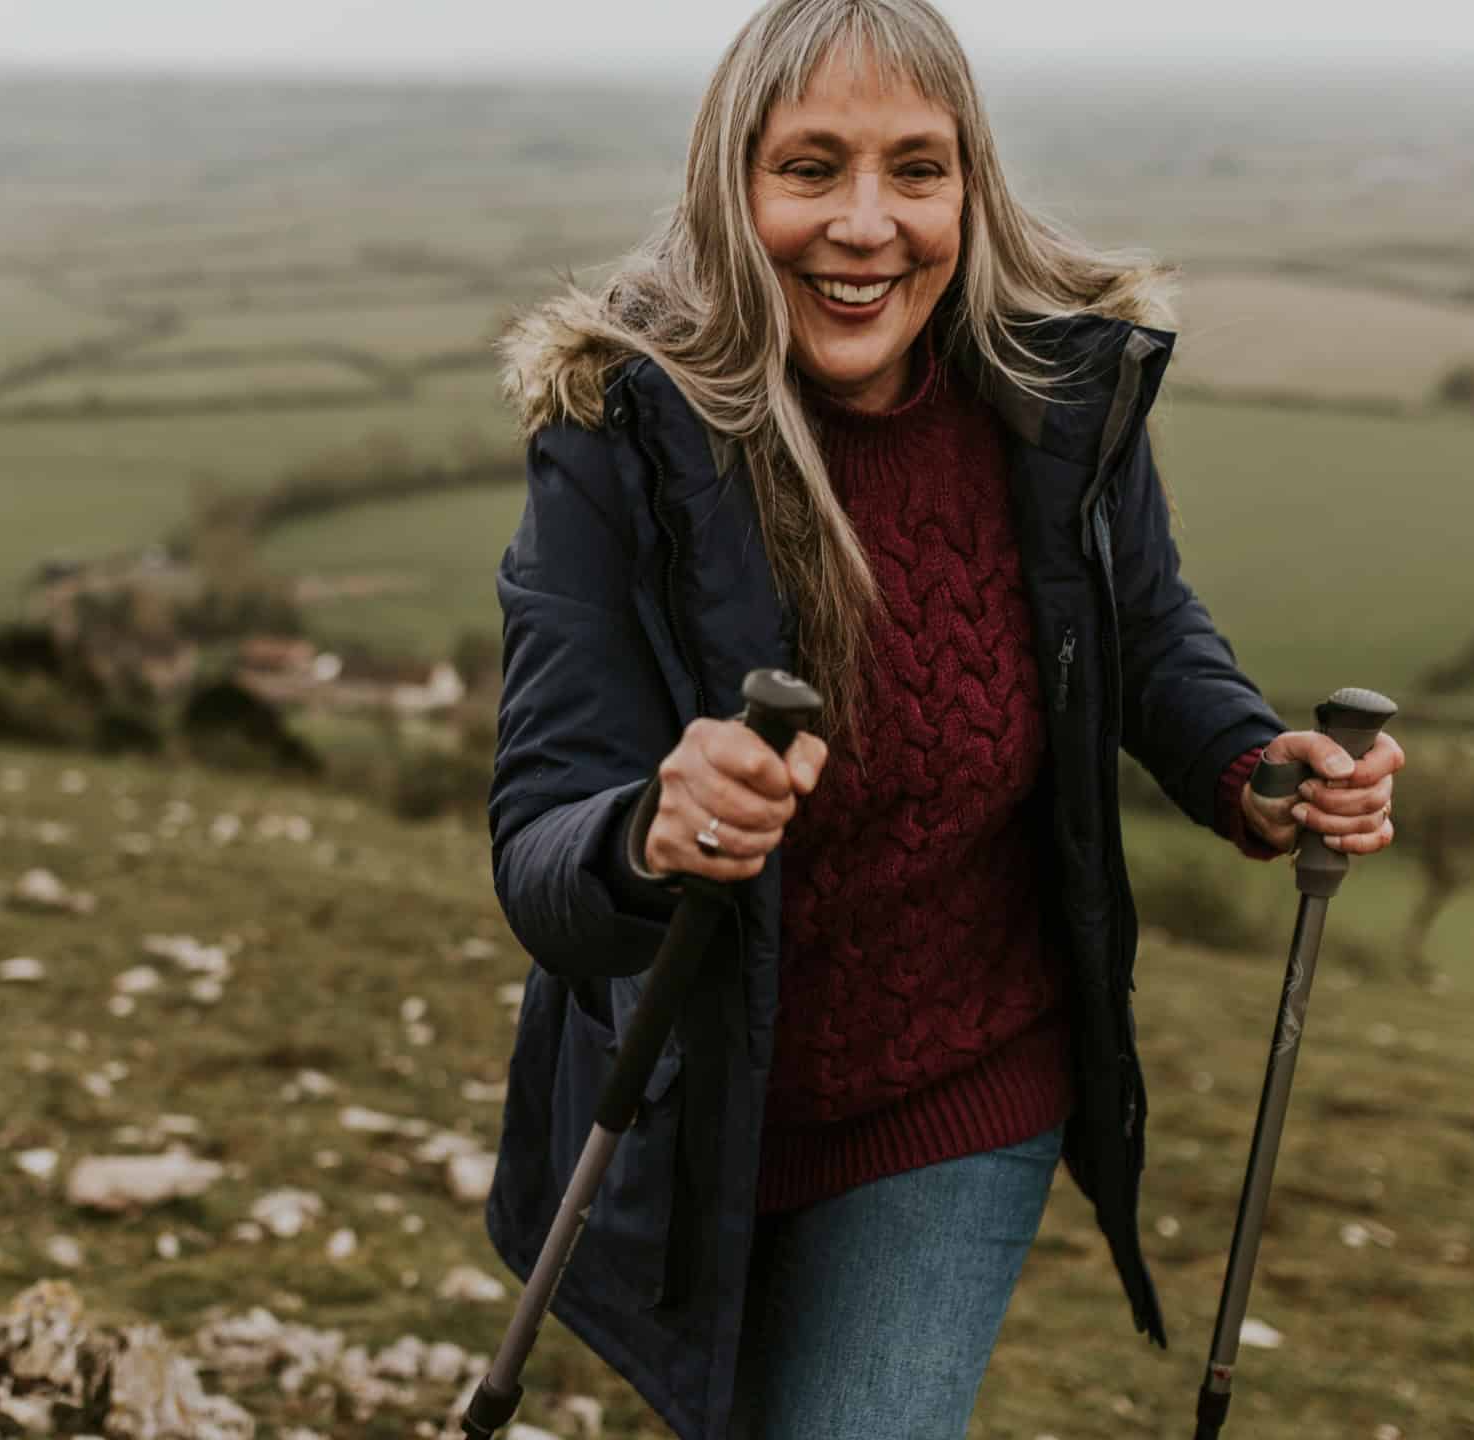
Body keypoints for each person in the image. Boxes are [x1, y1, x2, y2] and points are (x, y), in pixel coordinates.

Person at [479, 1, 1407, 1436]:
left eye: (918, 169)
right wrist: (650, 836)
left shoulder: (1052, 401)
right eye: (811, 169)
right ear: (731, 191)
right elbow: (543, 848)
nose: (869, 223)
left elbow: (1141, 625)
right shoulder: (621, 441)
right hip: (697, 1112)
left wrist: (1248, 762)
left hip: (961, 1077)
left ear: (972, 189)